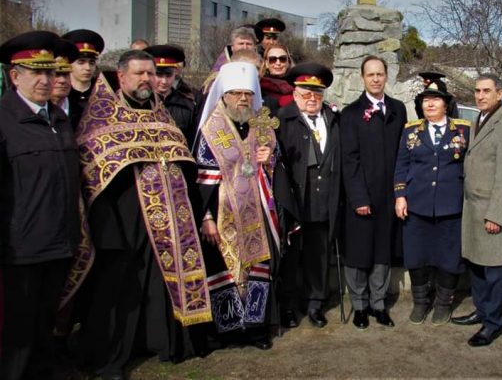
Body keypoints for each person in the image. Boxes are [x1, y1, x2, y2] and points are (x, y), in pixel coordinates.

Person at [75, 50, 212, 378]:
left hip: (166, 217)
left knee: (158, 283)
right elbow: (91, 170)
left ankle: (162, 342)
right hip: (121, 218)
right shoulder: (101, 115)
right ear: (121, 77)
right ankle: (110, 357)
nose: (147, 80)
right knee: (119, 289)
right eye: (139, 74)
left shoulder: (162, 115)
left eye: (151, 74)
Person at [0, 31, 82, 380]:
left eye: (51, 72)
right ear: (14, 75)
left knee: (45, 322)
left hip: (60, 242)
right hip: (20, 248)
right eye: (37, 72)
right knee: (16, 331)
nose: (46, 80)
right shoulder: (4, 121)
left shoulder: (59, 120)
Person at [195, 61, 280, 349]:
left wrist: (269, 158)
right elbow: (203, 179)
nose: (243, 99)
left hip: (257, 211)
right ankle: (229, 331)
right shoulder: (211, 129)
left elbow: (275, 166)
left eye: (247, 94)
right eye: (236, 94)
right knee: (226, 270)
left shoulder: (262, 125)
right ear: (224, 95)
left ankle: (256, 329)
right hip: (223, 215)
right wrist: (206, 217)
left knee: (258, 268)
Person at [450, 73, 502, 346]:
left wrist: (496, 215)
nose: (480, 96)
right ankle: (481, 311)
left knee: (493, 270)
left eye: (486, 91)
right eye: (478, 91)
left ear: (500, 93)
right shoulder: (478, 120)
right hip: (472, 207)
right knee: (476, 266)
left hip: (490, 209)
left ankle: (494, 322)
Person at [394, 81, 472, 326]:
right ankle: (420, 303)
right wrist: (400, 195)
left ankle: (442, 304)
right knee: (416, 255)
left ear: (446, 104)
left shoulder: (464, 130)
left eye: (436, 99)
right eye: (426, 99)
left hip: (452, 206)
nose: (430, 103)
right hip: (417, 205)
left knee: (449, 257)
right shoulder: (411, 131)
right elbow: (401, 165)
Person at [340, 55, 406, 329]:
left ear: (386, 76)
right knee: (358, 253)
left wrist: (400, 192)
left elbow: (403, 153)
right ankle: (359, 306)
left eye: (380, 74)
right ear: (362, 77)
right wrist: (358, 198)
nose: (376, 79)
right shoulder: (351, 113)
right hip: (362, 196)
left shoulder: (398, 109)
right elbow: (349, 159)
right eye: (371, 75)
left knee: (382, 251)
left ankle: (378, 305)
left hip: (388, 195)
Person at [275, 62, 341, 329]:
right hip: (294, 199)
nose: (312, 99)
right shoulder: (281, 120)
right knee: (291, 258)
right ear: (294, 94)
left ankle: (316, 304)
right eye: (306, 93)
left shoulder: (334, 119)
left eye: (318, 93)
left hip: (324, 200)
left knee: (319, 255)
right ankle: (288, 306)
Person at [145, 44, 202, 148]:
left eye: (168, 75)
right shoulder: (141, 102)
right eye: (159, 75)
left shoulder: (189, 102)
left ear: (175, 73)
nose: (164, 81)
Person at [203, 26, 262, 94]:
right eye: (241, 43)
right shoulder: (221, 69)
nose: (245, 47)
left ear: (254, 47)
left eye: (249, 44)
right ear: (232, 47)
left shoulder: (262, 67)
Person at [61, 29, 104, 111]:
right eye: (81, 62)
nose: (88, 68)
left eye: (91, 63)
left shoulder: (102, 91)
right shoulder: (62, 91)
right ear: (69, 63)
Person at [50, 38, 79, 123]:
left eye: (66, 74)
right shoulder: (33, 111)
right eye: (56, 74)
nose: (62, 80)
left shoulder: (83, 111)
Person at [259, 44, 295, 108]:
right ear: (266, 63)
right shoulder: (259, 87)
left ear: (288, 62)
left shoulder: (298, 87)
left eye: (282, 59)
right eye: (272, 59)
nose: (278, 63)